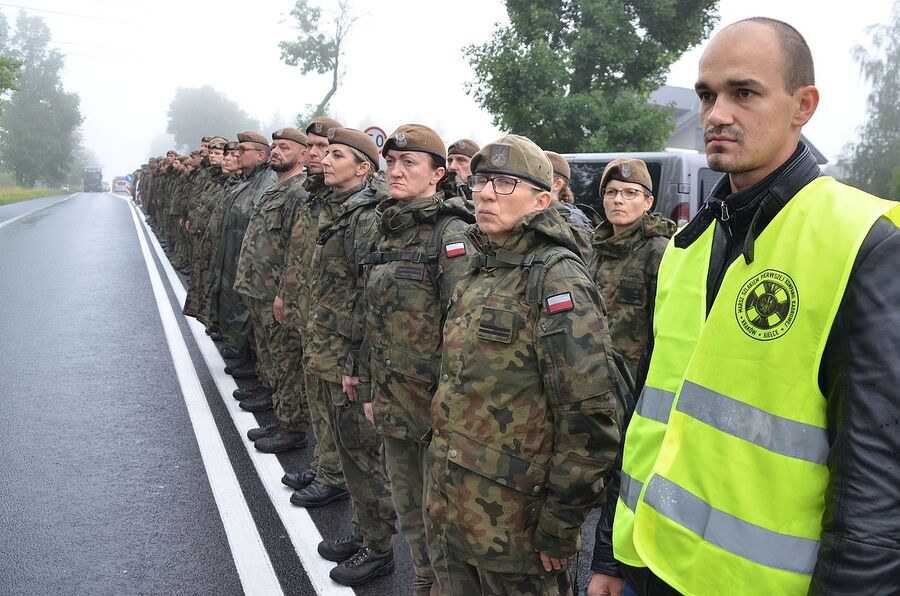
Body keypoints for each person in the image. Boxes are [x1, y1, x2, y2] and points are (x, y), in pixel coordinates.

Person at [589, 17, 900, 596]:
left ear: (802, 105)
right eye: (707, 94)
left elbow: (876, 481)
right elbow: (647, 414)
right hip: (648, 565)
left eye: (744, 92)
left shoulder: (863, 242)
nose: (716, 114)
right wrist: (609, 551)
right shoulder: (687, 247)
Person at [425, 134, 624, 595]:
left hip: (517, 528)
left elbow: (589, 417)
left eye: (505, 183)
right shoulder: (483, 267)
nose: (487, 193)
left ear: (543, 199)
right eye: (482, 182)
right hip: (457, 506)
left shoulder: (556, 278)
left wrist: (560, 522)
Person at [358, 124, 475, 595]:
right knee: (410, 514)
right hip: (394, 402)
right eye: (391, 163)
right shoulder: (390, 226)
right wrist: (370, 390)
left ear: (438, 174)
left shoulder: (451, 233)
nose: (396, 171)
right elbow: (375, 318)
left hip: (434, 410)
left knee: (441, 522)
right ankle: (422, 584)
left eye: (409, 163)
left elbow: (463, 329)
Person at [300, 127, 397, 586]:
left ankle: (378, 549)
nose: (326, 160)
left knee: (363, 456)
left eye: (337, 155)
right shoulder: (339, 208)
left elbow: (368, 297)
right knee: (348, 451)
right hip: (331, 348)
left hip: (350, 357)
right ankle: (363, 533)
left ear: (363, 168)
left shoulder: (366, 217)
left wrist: (356, 365)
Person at [278, 117, 349, 503]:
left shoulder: (352, 204)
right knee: (318, 400)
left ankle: (335, 478)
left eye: (326, 149)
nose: (317, 156)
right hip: (310, 315)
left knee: (334, 406)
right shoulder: (316, 195)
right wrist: (285, 297)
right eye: (314, 149)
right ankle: (324, 466)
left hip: (335, 327)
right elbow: (299, 255)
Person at [233, 128, 310, 454]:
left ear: (302, 156)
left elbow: (296, 249)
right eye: (275, 146)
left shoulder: (298, 193)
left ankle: (291, 427)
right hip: (258, 287)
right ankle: (279, 414)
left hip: (276, 293)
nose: (277, 151)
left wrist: (284, 293)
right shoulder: (275, 189)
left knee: (285, 362)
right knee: (270, 357)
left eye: (285, 147)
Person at [588, 158, 675, 379]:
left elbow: (668, 330)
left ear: (648, 202)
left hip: (635, 381)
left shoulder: (659, 251)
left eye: (630, 193)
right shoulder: (595, 247)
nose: (618, 200)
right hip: (592, 374)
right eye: (611, 192)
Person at [211, 131, 277, 379]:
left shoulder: (267, 182)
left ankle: (255, 369)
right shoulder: (249, 181)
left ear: (260, 155)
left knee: (250, 315)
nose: (236, 154)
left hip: (252, 265)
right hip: (237, 258)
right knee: (238, 308)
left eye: (242, 150)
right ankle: (246, 357)